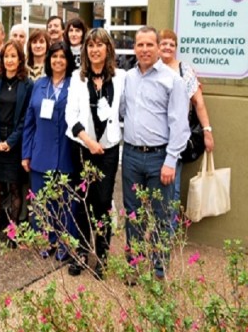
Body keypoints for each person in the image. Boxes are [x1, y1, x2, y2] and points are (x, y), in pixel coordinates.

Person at [120, 26, 190, 279]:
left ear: (159, 47)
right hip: (130, 156)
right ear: (134, 48)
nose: (145, 49)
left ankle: (159, 269)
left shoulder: (173, 80)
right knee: (133, 213)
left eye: (150, 44)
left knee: (161, 214)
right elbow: (122, 112)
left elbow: (180, 125)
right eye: (140, 45)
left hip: (160, 158)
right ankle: (136, 266)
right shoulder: (128, 77)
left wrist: (171, 160)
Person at [65, 28, 125, 278]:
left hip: (108, 150)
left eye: (100, 45)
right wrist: (88, 141)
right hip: (82, 147)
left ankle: (101, 255)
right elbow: (70, 115)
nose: (95, 49)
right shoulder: (77, 78)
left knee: (102, 203)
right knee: (81, 202)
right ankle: (81, 252)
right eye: (90, 45)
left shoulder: (121, 77)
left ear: (108, 49)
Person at [22, 41, 75, 258]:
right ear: (48, 60)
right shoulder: (39, 84)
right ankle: (44, 239)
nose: (58, 61)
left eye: (62, 57)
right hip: (40, 152)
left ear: (68, 60)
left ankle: (63, 242)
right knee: (41, 201)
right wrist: (26, 153)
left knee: (64, 203)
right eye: (54, 57)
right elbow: (29, 122)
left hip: (65, 153)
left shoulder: (75, 85)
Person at [158, 29, 214, 218]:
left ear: (175, 48)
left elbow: (198, 102)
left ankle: (168, 233)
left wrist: (207, 131)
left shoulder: (184, 70)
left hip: (176, 137)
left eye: (171, 44)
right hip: (153, 138)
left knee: (171, 187)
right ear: (158, 46)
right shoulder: (151, 68)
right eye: (164, 43)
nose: (167, 47)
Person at [0, 40, 33, 247]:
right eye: (6, 56)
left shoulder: (27, 84)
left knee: (15, 188)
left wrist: (11, 142)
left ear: (20, 59)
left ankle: (13, 230)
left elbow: (26, 118)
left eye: (13, 56)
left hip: (15, 141)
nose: (9, 60)